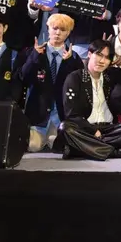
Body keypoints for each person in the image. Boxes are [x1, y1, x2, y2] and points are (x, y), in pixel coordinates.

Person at [58, 40, 121, 160]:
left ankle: (82, 149)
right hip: (86, 129)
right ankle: (114, 152)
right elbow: (71, 115)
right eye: (99, 55)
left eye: (107, 57)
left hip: (109, 129)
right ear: (89, 54)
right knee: (65, 128)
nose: (102, 61)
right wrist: (93, 131)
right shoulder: (75, 78)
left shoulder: (111, 76)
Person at [21, 13, 84, 152]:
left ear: (68, 33)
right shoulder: (34, 52)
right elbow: (23, 78)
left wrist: (69, 63)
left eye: (63, 30)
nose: (58, 33)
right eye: (55, 28)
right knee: (33, 146)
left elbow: (79, 85)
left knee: (57, 145)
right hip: (38, 114)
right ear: (48, 29)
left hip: (60, 116)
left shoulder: (73, 57)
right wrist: (34, 57)